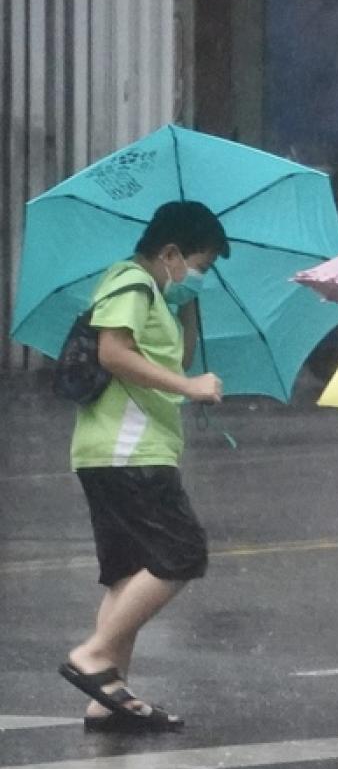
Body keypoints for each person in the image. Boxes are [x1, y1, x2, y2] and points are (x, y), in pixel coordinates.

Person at [58, 201, 229, 732]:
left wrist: (187, 305)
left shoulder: (155, 294)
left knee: (128, 574)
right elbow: (114, 352)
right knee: (182, 552)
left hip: (115, 451)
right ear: (171, 253)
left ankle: (106, 699)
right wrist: (189, 387)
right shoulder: (131, 283)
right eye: (199, 266)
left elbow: (170, 358)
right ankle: (96, 655)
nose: (200, 277)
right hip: (130, 451)